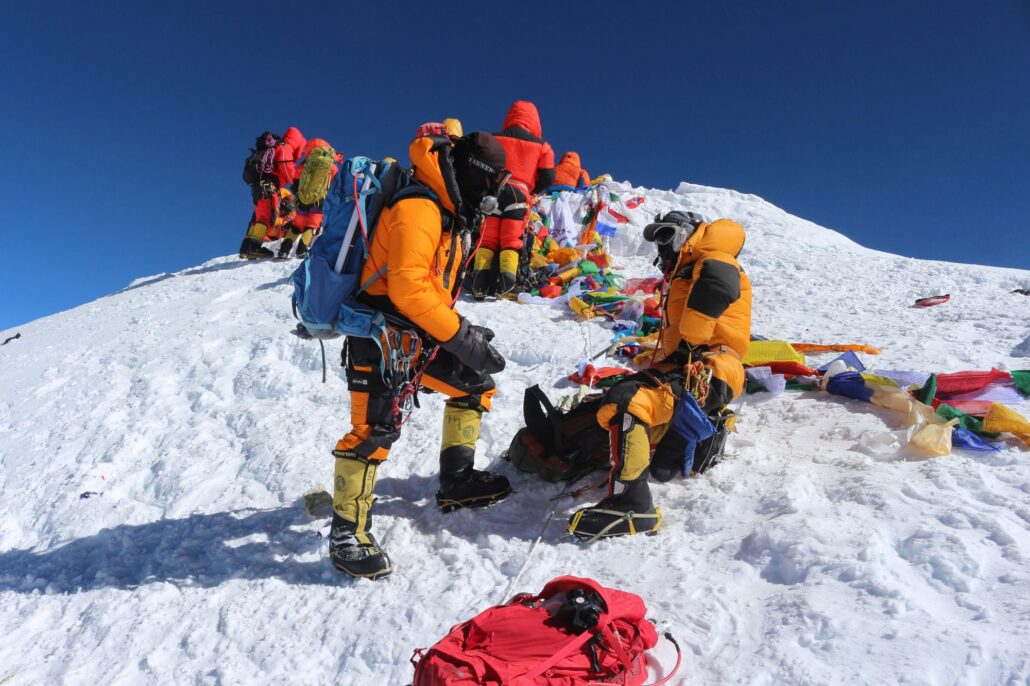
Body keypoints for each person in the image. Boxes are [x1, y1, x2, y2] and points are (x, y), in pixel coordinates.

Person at [329, 131, 513, 579]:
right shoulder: (420, 207)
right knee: (373, 431)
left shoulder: (448, 213)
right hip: (379, 335)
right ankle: (346, 535)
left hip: (419, 337)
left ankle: (457, 479)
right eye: (492, 183)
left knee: (476, 386)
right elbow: (407, 288)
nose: (492, 195)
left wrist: (461, 330)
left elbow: (428, 286)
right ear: (472, 174)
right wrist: (461, 339)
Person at [569, 211, 751, 541]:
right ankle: (699, 430)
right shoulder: (685, 270)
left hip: (712, 367)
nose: (661, 246)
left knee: (630, 400)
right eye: (657, 239)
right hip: (690, 365)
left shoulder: (714, 255)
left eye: (667, 235)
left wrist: (693, 338)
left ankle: (631, 504)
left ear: (687, 234)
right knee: (634, 416)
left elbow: (718, 285)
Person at [471, 101, 555, 298]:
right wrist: (532, 189)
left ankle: (479, 282)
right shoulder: (542, 146)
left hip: (495, 192)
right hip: (519, 194)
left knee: (488, 239)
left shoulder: (493, 138)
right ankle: (506, 283)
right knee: (511, 239)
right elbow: (549, 176)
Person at [240, 127, 307, 259]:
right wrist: (297, 181)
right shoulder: (284, 148)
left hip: (259, 187)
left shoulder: (274, 148)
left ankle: (246, 248)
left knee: (259, 217)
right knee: (266, 218)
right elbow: (286, 168)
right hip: (269, 187)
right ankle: (253, 248)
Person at [278, 137, 342, 259]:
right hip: (320, 200)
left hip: (302, 199)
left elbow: (295, 182)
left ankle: (283, 250)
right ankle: (302, 250)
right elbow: (336, 184)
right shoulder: (331, 166)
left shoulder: (304, 164)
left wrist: (297, 195)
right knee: (312, 225)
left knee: (296, 226)